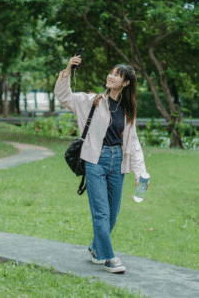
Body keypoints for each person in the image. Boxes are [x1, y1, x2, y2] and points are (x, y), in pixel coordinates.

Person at [54, 55, 149, 274]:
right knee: (101, 213)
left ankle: (97, 248)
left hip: (118, 163)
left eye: (117, 74)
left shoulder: (127, 110)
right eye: (111, 72)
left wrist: (140, 172)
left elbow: (133, 142)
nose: (111, 76)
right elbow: (63, 95)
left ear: (125, 83)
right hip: (95, 161)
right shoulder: (92, 101)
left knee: (113, 213)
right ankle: (108, 257)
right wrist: (68, 68)